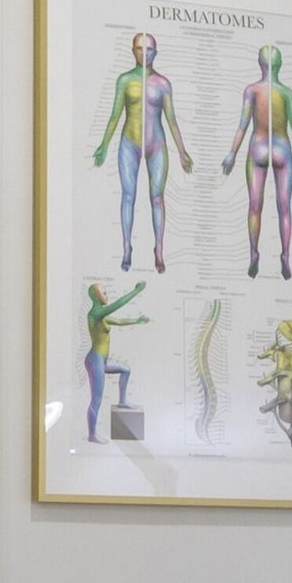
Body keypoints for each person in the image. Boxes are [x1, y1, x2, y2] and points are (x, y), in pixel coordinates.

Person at [219, 42, 292, 277]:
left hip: (258, 148)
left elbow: (242, 125)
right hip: (282, 149)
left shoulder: (252, 90)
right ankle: (284, 255)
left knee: (255, 206)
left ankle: (254, 253)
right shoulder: (287, 93)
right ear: (280, 65)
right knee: (284, 208)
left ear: (260, 64)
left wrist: (232, 153)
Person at [89, 30, 185, 271]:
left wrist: (183, 152)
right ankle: (126, 248)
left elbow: (172, 120)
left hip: (157, 144)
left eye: (150, 49)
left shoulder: (163, 83)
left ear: (156, 52)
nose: (145, 53)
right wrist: (103, 144)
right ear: (133, 51)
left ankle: (159, 249)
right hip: (129, 143)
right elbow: (115, 115)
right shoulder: (124, 80)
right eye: (140, 49)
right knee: (128, 196)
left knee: (157, 198)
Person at [82, 279, 149, 443]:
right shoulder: (95, 314)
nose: (107, 295)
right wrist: (136, 291)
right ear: (96, 297)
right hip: (95, 359)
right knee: (97, 399)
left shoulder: (102, 316)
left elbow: (119, 321)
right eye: (103, 293)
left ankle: (123, 400)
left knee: (126, 370)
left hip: (102, 361)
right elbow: (118, 304)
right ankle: (92, 435)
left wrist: (137, 320)